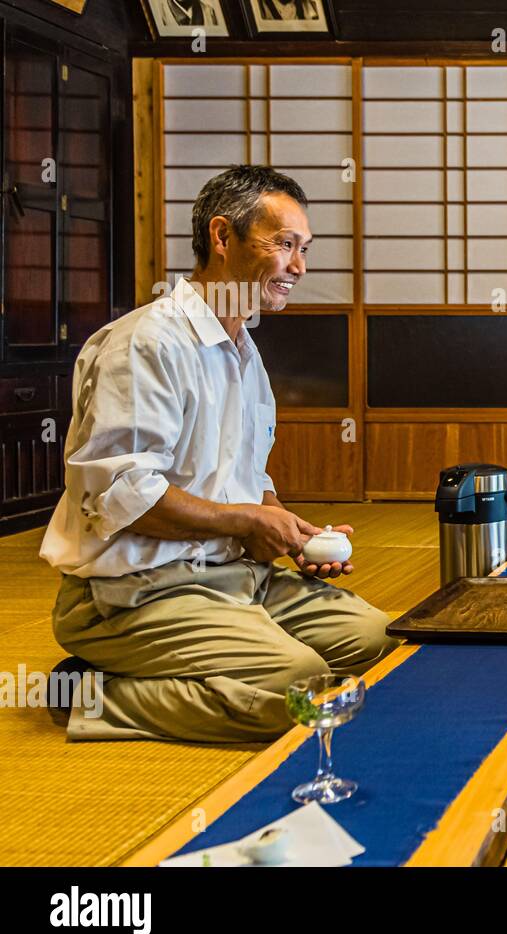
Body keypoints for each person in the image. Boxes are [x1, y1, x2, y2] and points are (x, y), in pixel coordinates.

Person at [40, 165, 400, 743]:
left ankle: (217, 660)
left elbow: (247, 479)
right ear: (222, 236)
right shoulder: (146, 344)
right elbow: (122, 495)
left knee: (386, 644)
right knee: (300, 688)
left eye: (303, 249)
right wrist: (248, 520)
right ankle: (90, 693)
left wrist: (288, 530)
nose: (299, 268)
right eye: (284, 244)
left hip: (237, 575)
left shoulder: (242, 350)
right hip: (134, 591)